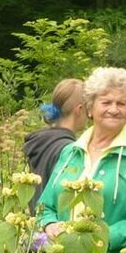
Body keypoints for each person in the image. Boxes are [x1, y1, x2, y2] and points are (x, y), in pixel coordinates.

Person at [37, 68, 126, 253]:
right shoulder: (70, 152)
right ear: (89, 107)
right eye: (106, 101)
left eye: (121, 103)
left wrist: (103, 237)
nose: (114, 109)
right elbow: (45, 206)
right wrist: (49, 225)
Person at [23, 78, 88, 211]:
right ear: (79, 109)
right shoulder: (68, 149)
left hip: (37, 227)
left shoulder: (39, 142)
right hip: (54, 227)